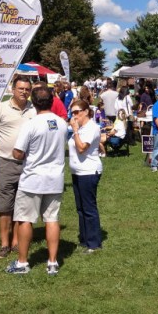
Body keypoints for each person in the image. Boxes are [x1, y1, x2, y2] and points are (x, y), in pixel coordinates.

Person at [5, 86, 67, 275]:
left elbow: (18, 152)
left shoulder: (31, 124)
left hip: (33, 177)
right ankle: (52, 262)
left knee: (25, 220)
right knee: (52, 219)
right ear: (52, 101)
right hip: (55, 177)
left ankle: (22, 263)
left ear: (33, 102)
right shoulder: (62, 123)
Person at [0, 77, 36, 258]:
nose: (24, 92)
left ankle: (16, 241)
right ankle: (4, 243)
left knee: (22, 205)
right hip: (5, 162)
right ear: (12, 90)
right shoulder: (0, 108)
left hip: (29, 164)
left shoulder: (34, 109)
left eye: (27, 89)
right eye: (20, 88)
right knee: (5, 205)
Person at [68, 99, 103, 253]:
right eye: (72, 112)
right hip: (77, 171)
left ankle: (94, 243)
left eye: (77, 112)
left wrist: (75, 131)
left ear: (86, 111)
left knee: (89, 208)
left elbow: (82, 147)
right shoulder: (81, 128)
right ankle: (84, 238)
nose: (74, 115)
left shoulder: (92, 128)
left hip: (89, 171)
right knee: (80, 208)